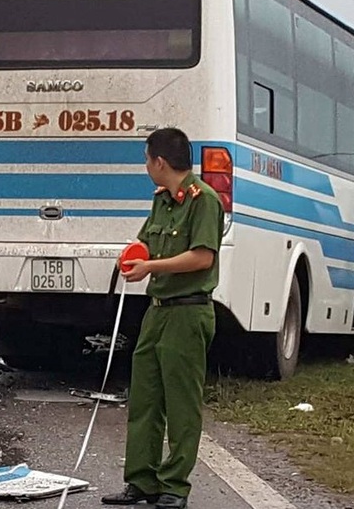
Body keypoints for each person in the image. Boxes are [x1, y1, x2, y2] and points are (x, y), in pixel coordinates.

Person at [102, 128, 224, 509]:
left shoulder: (204, 200)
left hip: (188, 312)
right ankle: (142, 481)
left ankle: (174, 486)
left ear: (159, 161)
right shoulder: (162, 201)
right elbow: (147, 243)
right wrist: (132, 256)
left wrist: (151, 267)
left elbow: (202, 257)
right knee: (145, 397)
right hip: (156, 312)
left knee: (181, 404)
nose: (146, 167)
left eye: (146, 159)